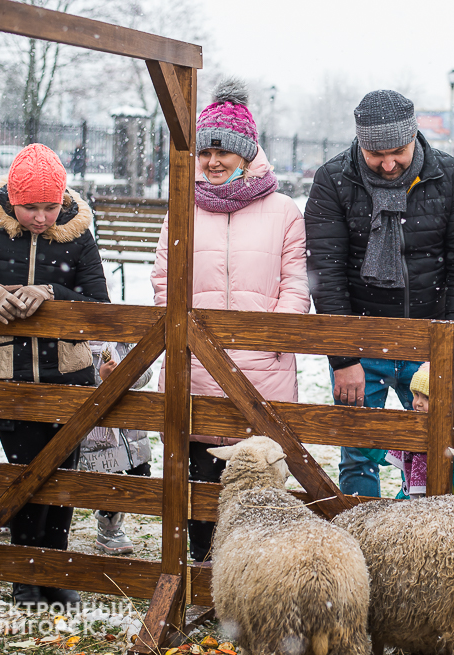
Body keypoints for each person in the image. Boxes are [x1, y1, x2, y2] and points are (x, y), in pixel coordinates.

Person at [0, 143, 110, 608]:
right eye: (31, 207)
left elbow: (100, 304)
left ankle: (54, 572)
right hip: (5, 374)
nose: (42, 217)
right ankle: (26, 576)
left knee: (61, 477)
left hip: (68, 374)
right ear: (12, 199)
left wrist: (52, 291)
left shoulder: (78, 232)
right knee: (23, 476)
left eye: (51, 206)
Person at [151, 78, 309, 562]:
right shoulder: (182, 207)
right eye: (205, 153)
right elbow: (164, 279)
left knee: (257, 482)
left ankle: (253, 573)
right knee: (197, 477)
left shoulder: (283, 211)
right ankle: (201, 568)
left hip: (261, 370)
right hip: (194, 368)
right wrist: (181, 339)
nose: (213, 161)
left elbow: (295, 286)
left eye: (225, 152)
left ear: (247, 153)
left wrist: (271, 340)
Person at [304, 89, 454, 498]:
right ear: (360, 145)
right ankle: (361, 537)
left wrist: (452, 349)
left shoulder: (447, 175)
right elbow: (325, 273)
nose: (388, 163)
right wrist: (344, 357)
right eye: (375, 154)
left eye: (398, 151)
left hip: (429, 341)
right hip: (362, 342)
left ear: (414, 136)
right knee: (359, 454)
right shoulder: (333, 180)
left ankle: (428, 542)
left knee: (438, 450)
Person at [79, 341, 153, 555]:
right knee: (107, 484)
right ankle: (109, 531)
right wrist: (100, 378)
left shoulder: (121, 343)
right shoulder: (78, 348)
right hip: (98, 437)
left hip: (130, 432)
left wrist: (126, 374)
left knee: (138, 478)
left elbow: (145, 373)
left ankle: (115, 523)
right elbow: (75, 384)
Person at [385, 362, 454, 499]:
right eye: (416, 394)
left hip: (452, 507)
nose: (418, 403)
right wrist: (363, 435)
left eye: (427, 397)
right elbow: (382, 452)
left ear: (452, 402)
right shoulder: (415, 426)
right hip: (413, 505)